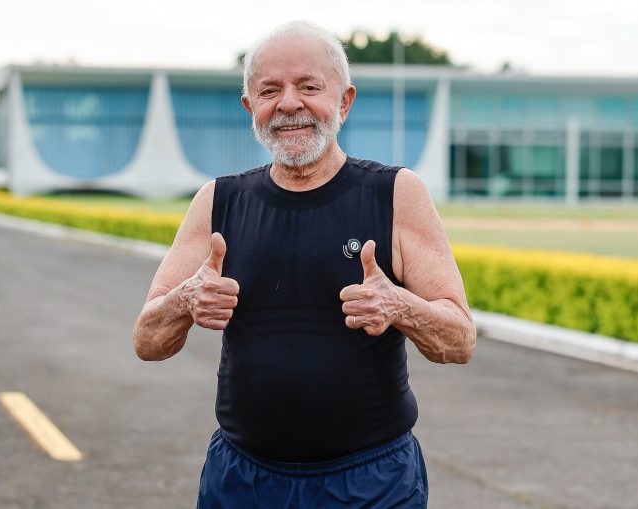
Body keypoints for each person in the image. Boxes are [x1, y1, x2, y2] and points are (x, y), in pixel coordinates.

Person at [133, 20, 476, 509]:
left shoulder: (396, 194)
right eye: (269, 90)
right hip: (242, 479)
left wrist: (400, 306)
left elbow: (459, 340)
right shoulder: (219, 200)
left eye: (309, 87)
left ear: (344, 101)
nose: (289, 104)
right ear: (251, 107)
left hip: (371, 481)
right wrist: (186, 300)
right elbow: (147, 341)